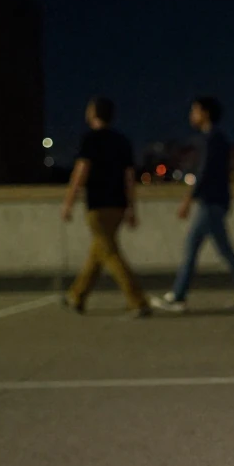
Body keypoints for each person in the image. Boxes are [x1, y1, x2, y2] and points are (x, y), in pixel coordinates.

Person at [151, 97, 234, 312]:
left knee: (192, 248)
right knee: (224, 250)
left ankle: (178, 297)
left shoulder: (211, 140)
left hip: (210, 203)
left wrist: (187, 200)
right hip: (216, 202)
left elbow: (204, 172)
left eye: (195, 111)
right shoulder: (217, 138)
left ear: (205, 113)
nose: (191, 115)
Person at [60, 97, 151, 318]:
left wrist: (69, 202)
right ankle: (77, 295)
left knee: (109, 253)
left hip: (97, 206)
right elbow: (129, 177)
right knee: (99, 250)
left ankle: (137, 300)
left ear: (93, 113)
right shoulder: (122, 141)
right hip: (118, 205)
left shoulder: (90, 140)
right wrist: (131, 207)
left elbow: (81, 172)